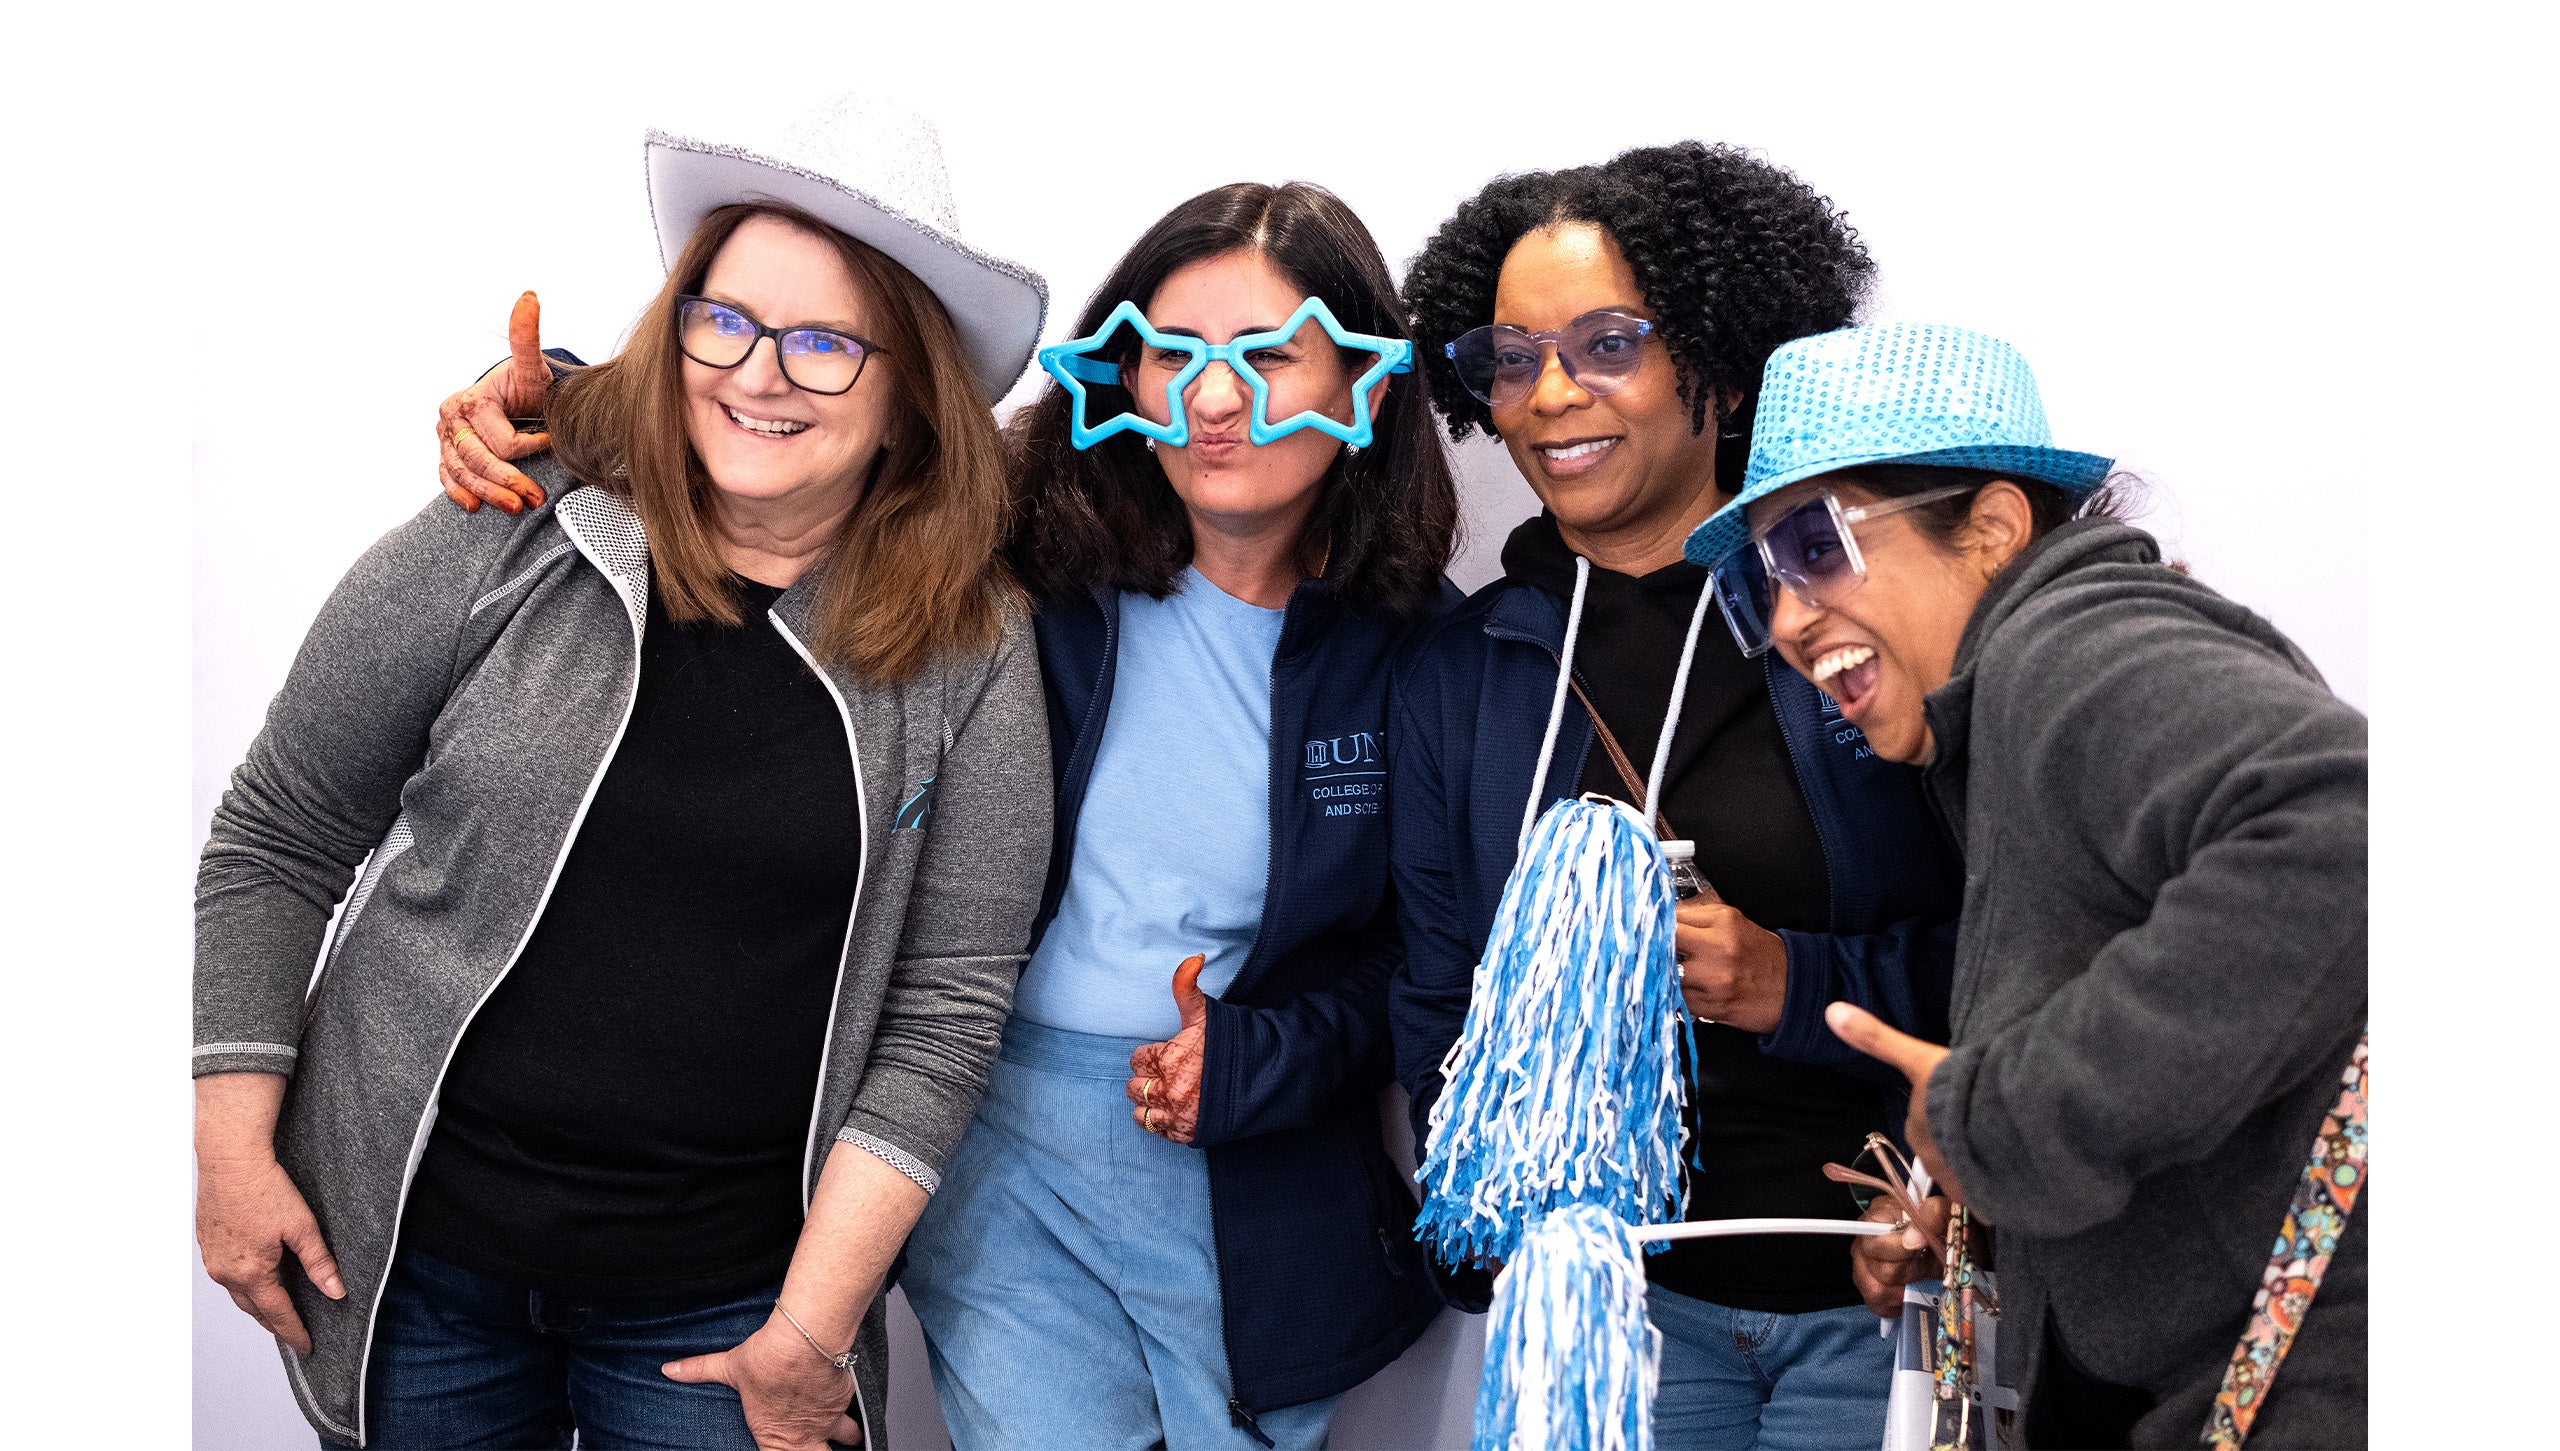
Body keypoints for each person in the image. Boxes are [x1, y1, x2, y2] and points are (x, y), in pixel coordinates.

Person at [436, 180, 1459, 1451]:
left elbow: (1419, 963)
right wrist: (540, 394)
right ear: (1120, 371)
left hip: (1253, 1166)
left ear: (1365, 381)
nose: (1210, 398)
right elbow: (782, 428)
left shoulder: (1424, 655)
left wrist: (1266, 1054)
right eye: (1173, 353)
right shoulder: (1021, 544)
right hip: (995, 1136)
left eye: (1267, 356)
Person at [194, 99, 1053, 1451]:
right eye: (727, 319)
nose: (760, 375)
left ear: (906, 401)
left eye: (827, 344)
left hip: (726, 1310)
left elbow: (944, 1011)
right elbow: (282, 833)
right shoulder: (508, 525)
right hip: (418, 1266)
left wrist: (806, 1334)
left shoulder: (973, 647)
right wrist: (233, 1149)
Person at [1692, 321, 2366, 1446]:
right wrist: (1983, 1215)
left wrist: (1997, 1119)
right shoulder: (1996, 719)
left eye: (1815, 546)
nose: (1787, 619)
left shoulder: (2068, 648)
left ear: (1995, 528)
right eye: (1760, 578)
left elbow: (2341, 828)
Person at [1389, 141, 1963, 1450]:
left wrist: (1786, 979)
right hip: (1617, 1316)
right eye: (1513, 356)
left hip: (1873, 1295)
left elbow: (2012, 953)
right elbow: (1437, 995)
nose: (1551, 394)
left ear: (1718, 351)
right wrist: (1495, 1238)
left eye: (1607, 342)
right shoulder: (1466, 668)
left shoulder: (1850, 614)